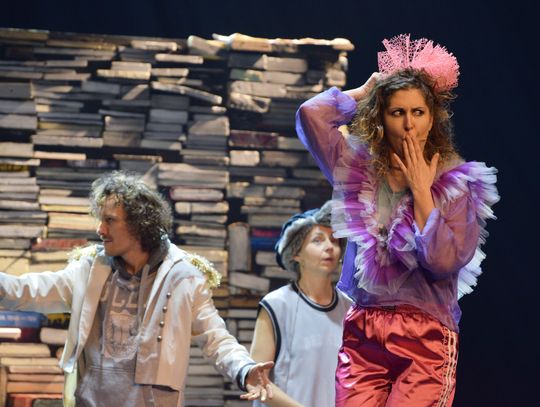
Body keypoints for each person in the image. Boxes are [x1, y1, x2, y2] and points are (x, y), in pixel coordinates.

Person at [296, 34, 499, 406]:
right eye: (396, 112)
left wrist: (422, 192)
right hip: (364, 329)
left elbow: (442, 262)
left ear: (432, 118)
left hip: (425, 336)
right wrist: (364, 92)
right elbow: (311, 115)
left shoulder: (458, 185)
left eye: (417, 112)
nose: (408, 124)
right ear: (381, 116)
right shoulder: (354, 167)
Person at [0, 171, 273, 407]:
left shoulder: (184, 277)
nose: (100, 229)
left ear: (139, 223)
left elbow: (216, 338)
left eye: (110, 220)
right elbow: (28, 291)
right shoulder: (90, 269)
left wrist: (244, 369)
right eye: (100, 219)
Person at [250, 201, 353, 407]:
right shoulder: (276, 305)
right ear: (296, 253)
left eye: (334, 240)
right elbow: (256, 380)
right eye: (317, 240)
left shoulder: (349, 309)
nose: (329, 247)